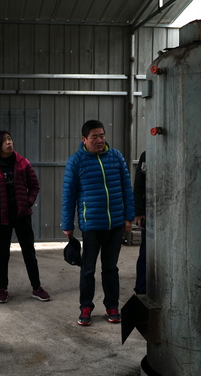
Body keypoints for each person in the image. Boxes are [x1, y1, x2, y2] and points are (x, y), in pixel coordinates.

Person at [61, 120, 134, 326]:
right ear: (84, 139)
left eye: (102, 135)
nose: (100, 140)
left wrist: (128, 217)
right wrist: (67, 224)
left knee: (111, 268)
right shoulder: (76, 161)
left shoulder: (116, 157)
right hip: (91, 225)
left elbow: (126, 188)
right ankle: (86, 307)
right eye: (95, 137)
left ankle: (112, 306)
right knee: (88, 270)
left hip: (115, 224)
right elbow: (69, 195)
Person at [0, 130, 51, 303]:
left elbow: (34, 186)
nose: (9, 142)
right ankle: (3, 289)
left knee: (29, 252)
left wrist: (27, 203)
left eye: (10, 139)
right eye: (4, 141)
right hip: (2, 218)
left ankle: (37, 287)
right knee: (2, 255)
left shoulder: (23, 163)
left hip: (22, 215)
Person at [134, 151, 147, 295]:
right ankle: (141, 288)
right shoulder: (147, 155)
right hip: (150, 213)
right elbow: (138, 185)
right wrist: (138, 212)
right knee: (146, 251)